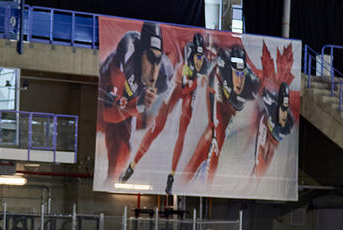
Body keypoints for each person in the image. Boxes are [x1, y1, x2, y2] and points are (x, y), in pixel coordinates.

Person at [119, 32, 213, 195]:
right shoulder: (186, 60)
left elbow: (202, 77)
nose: (199, 61)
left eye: (201, 57)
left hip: (190, 91)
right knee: (158, 125)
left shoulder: (204, 62)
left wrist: (202, 79)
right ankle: (132, 166)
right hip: (178, 85)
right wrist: (194, 79)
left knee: (183, 129)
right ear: (192, 55)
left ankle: (171, 176)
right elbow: (183, 85)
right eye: (197, 57)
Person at [98, 21, 173, 187]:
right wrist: (138, 106)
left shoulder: (163, 76)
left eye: (158, 60)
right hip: (110, 91)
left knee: (121, 153)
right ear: (140, 54)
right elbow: (107, 114)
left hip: (126, 106)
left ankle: (109, 185)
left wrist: (139, 108)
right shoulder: (129, 52)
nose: (154, 68)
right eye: (151, 59)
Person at [180, 44, 259, 187]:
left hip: (229, 109)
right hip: (216, 88)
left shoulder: (252, 84)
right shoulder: (223, 67)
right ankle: (205, 186)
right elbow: (213, 51)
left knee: (211, 138)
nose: (239, 80)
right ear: (230, 70)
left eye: (242, 75)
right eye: (236, 74)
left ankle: (189, 181)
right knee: (217, 136)